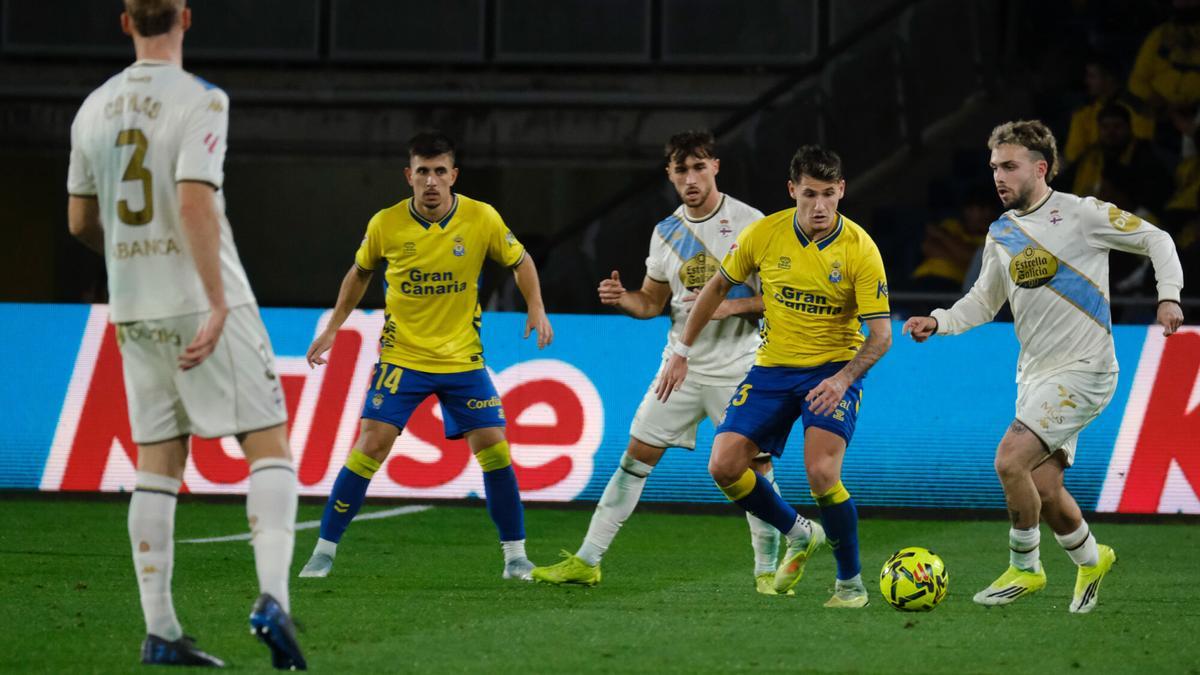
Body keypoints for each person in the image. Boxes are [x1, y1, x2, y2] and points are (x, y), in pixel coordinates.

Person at [66, 0, 304, 668]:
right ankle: (272, 598)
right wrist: (218, 299)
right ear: (185, 18)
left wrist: (129, 251)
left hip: (132, 305)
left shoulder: (91, 109)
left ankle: (162, 630)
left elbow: (81, 220)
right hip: (197, 298)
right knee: (268, 438)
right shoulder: (202, 100)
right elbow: (196, 198)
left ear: (124, 22)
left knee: (158, 460)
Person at [903, 120, 1185, 613]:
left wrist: (1168, 298)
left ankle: (1026, 567)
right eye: (994, 167)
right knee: (1044, 486)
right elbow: (984, 302)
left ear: (1041, 167)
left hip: (1086, 368)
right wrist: (939, 320)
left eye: (1009, 166)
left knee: (1009, 459)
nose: (998, 177)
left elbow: (1158, 240)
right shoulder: (1001, 232)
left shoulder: (1082, 214)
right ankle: (1092, 559)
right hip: (1035, 375)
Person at [531, 131, 781, 593]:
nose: (691, 178)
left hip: (742, 366)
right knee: (635, 456)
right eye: (681, 169)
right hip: (680, 367)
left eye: (699, 167)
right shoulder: (666, 232)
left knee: (754, 467)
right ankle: (588, 560)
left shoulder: (752, 223)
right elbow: (652, 302)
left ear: (716, 167)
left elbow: (780, 297)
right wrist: (622, 298)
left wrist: (735, 306)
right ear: (669, 174)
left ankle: (768, 571)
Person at [299, 131, 553, 582]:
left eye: (440, 171)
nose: (431, 181)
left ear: (453, 175)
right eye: (422, 172)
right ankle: (323, 552)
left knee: (494, 449)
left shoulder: (481, 218)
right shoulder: (386, 224)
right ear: (408, 176)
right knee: (370, 446)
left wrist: (536, 306)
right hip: (403, 358)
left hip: (463, 362)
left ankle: (516, 558)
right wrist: (335, 326)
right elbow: (359, 273)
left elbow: (521, 260)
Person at [656, 145, 893, 608]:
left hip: (831, 369)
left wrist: (843, 380)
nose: (820, 206)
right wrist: (681, 350)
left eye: (829, 194)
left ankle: (850, 585)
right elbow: (717, 286)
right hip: (772, 368)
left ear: (842, 190)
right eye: (809, 195)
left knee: (822, 472)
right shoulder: (766, 234)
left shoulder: (861, 248)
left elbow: (882, 335)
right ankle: (799, 531)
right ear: (792, 191)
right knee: (723, 466)